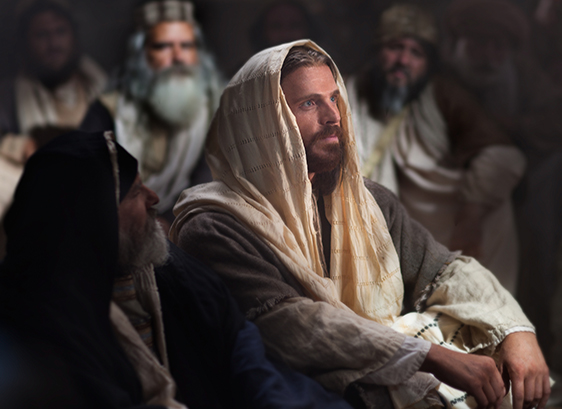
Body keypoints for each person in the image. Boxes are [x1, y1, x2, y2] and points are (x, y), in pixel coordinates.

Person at [170, 41, 550, 409]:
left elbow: (445, 271)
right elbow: (290, 325)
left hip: (382, 377)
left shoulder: (367, 200)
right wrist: (427, 355)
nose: (332, 116)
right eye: (308, 104)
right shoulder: (216, 226)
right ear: (262, 122)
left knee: (477, 329)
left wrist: (516, 331)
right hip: (304, 396)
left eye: (334, 98)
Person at [0, 130, 352, 409]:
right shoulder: (39, 321)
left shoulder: (165, 269)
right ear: (96, 218)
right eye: (135, 192)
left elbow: (236, 341)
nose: (153, 198)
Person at [345, 4, 526, 293]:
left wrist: (471, 214)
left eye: (416, 53)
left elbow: (501, 154)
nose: (403, 60)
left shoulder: (444, 95)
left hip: (431, 222)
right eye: (395, 47)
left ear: (428, 63)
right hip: (358, 213)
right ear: (377, 51)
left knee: (497, 211)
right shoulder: (346, 92)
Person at [442, 0, 562, 357]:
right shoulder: (439, 78)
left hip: (520, 193)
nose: (488, 56)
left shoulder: (522, 74)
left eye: (497, 46)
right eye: (478, 44)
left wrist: (514, 126)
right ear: (457, 44)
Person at [81, 0, 223, 225]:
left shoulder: (216, 112)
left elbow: (209, 188)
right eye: (163, 46)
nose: (178, 57)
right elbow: (90, 185)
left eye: (187, 45)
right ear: (141, 53)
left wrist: (170, 223)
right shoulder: (108, 111)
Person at [0, 0, 106, 218]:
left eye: (60, 32)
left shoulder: (103, 91)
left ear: (74, 37)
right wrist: (18, 146)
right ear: (25, 43)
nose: (53, 43)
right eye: (42, 35)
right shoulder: (8, 98)